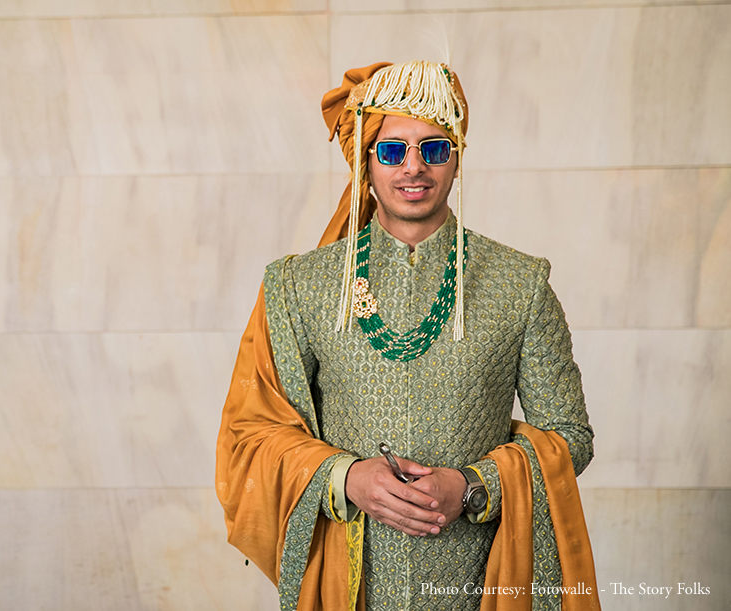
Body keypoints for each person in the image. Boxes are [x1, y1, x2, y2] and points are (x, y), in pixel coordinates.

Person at [216, 60, 601, 611]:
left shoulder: (520, 283)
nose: (413, 168)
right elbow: (251, 435)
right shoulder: (298, 287)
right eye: (393, 150)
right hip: (351, 577)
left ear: (457, 157)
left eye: (434, 148)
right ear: (365, 161)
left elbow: (568, 434)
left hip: (476, 580)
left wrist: (471, 487)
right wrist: (345, 476)